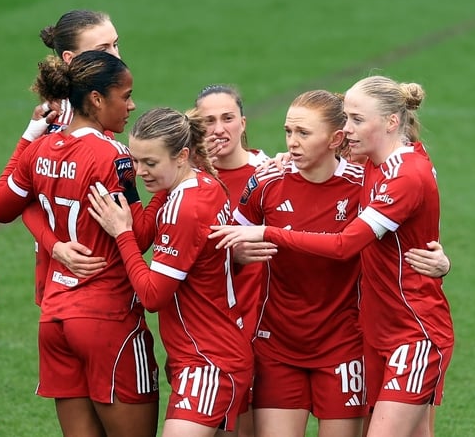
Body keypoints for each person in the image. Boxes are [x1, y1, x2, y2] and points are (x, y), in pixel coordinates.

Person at [209, 75, 454, 437]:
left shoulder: (397, 174)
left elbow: (345, 246)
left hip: (397, 334)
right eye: (287, 131)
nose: (348, 128)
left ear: (389, 122)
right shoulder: (375, 162)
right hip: (355, 335)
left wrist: (269, 233)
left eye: (356, 119)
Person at [0, 51, 159, 437]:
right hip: (107, 319)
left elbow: (1, 206)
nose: (132, 105)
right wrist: (170, 184)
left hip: (54, 319)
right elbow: (141, 236)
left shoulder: (41, 150)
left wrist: (52, 244)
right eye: (126, 95)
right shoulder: (113, 156)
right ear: (97, 99)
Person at [87, 107, 254, 437]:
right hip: (209, 352)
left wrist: (120, 232)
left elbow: (152, 296)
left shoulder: (185, 209)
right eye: (135, 161)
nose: (140, 171)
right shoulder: (201, 183)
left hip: (208, 361)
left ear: (182, 156)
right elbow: (147, 234)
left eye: (150, 163)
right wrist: (132, 191)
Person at [232, 90, 368, 437]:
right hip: (277, 343)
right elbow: (228, 244)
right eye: (288, 132)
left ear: (336, 139)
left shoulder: (361, 186)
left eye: (303, 133)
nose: (292, 142)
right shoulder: (266, 181)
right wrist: (238, 254)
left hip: (342, 344)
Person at [15, 9, 129, 306]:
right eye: (103, 49)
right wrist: (55, 247)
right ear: (69, 58)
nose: (115, 56)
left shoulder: (100, 108)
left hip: (84, 271)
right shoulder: (60, 120)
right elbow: (20, 197)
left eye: (116, 44)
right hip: (76, 270)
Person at [194, 84, 274, 437]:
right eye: (208, 121)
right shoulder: (188, 178)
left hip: (261, 323)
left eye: (227, 118)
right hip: (206, 327)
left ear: (243, 122)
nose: (218, 129)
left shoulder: (269, 173)